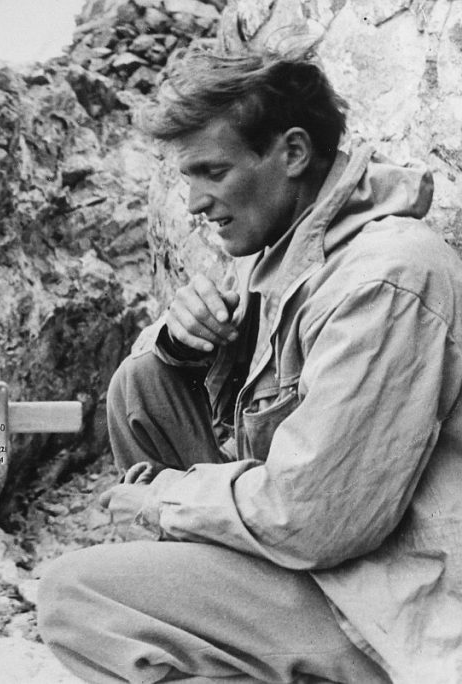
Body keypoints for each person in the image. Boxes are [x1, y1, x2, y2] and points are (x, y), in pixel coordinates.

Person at [38, 47, 462, 683]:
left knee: (78, 597)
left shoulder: (387, 276)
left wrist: (162, 502)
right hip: (326, 565)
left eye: (212, 171)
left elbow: (317, 518)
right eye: (187, 179)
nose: (194, 203)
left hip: (385, 600)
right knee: (144, 385)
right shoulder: (284, 245)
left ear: (292, 153)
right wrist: (183, 341)